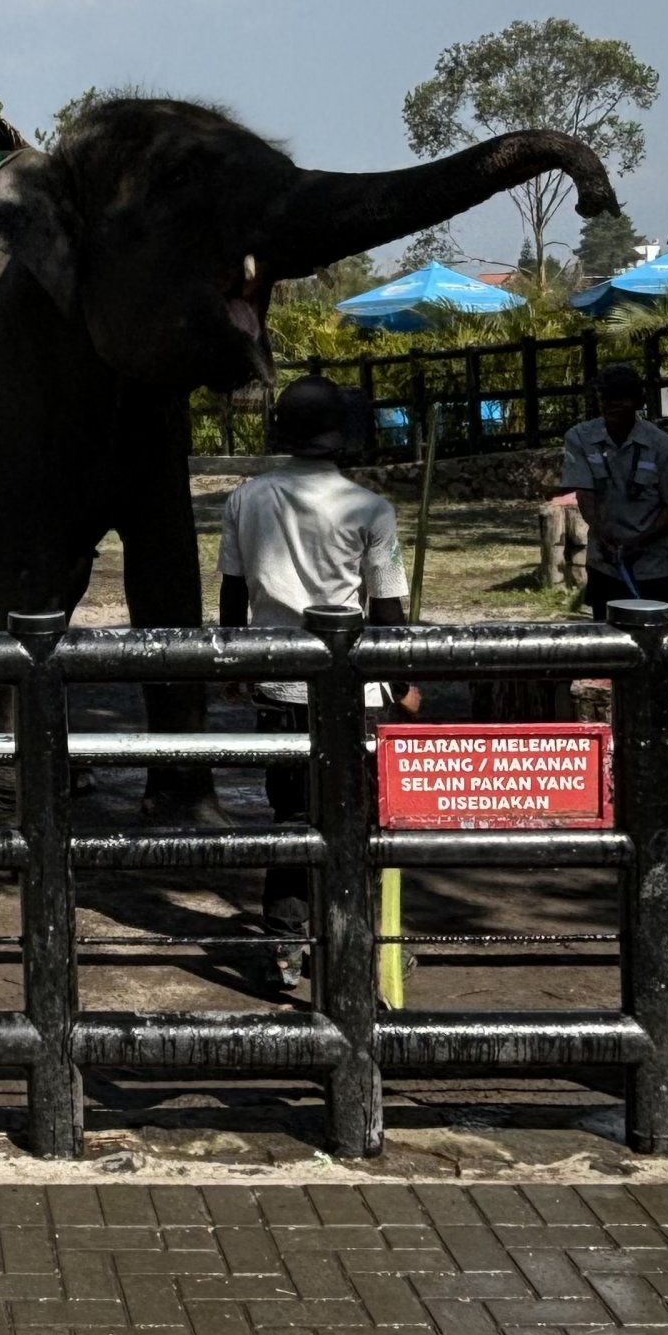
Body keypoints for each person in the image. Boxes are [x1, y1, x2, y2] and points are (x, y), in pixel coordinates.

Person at [218, 375, 420, 985]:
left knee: (289, 809)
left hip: (279, 679)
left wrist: (236, 664)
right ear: (343, 437)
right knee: (357, 812)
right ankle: (360, 932)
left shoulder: (245, 499)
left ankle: (287, 939)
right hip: (352, 688)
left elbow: (232, 591)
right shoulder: (370, 508)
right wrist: (401, 681)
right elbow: (387, 608)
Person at [562, 365, 668, 621]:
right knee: (608, 631)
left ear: (639, 402)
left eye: (621, 398)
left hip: (654, 564)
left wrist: (640, 542)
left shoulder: (663, 446)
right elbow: (585, 495)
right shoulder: (579, 438)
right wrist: (604, 536)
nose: (613, 405)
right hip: (605, 561)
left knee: (658, 630)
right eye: (606, 398)